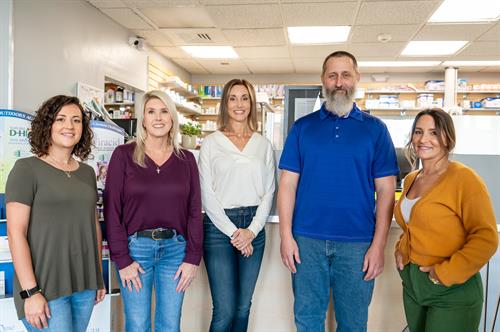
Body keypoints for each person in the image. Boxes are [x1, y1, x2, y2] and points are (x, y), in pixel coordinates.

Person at [277, 50, 399, 332]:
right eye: (332, 75)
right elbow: (287, 185)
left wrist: (378, 245)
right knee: (307, 320)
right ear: (323, 80)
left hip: (357, 244)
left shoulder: (376, 130)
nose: (339, 82)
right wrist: (286, 236)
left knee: (354, 324)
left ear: (356, 78)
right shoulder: (302, 129)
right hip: (307, 241)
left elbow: (386, 189)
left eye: (346, 74)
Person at [104, 90, 202, 332]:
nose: (158, 118)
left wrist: (193, 258)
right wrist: (122, 259)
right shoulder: (123, 155)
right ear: (143, 119)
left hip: (175, 251)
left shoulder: (186, 159)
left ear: (172, 118)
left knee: (170, 325)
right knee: (137, 325)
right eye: (151, 112)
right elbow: (112, 209)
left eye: (164, 111)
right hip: (136, 250)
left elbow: (194, 211)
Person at [6, 95, 106, 331]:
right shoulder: (26, 169)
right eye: (60, 119)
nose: (69, 126)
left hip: (84, 283)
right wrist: (30, 292)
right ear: (47, 124)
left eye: (76, 120)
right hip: (44, 287)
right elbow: (15, 233)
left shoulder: (87, 173)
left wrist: (98, 275)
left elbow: (93, 226)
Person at [394, 109, 498, 332]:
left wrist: (443, 274)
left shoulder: (464, 179)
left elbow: (486, 237)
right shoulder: (412, 178)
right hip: (414, 290)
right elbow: (412, 227)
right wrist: (400, 250)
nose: (424, 139)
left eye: (434, 132)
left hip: (452, 291)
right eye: (419, 132)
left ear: (447, 138)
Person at [199, 78, 275, 332]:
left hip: (254, 227)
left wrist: (251, 231)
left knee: (243, 307)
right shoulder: (211, 143)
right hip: (218, 230)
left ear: (252, 103)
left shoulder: (263, 145)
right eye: (233, 98)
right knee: (225, 310)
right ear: (225, 104)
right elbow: (206, 193)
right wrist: (234, 233)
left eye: (244, 98)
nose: (239, 104)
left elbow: (269, 191)